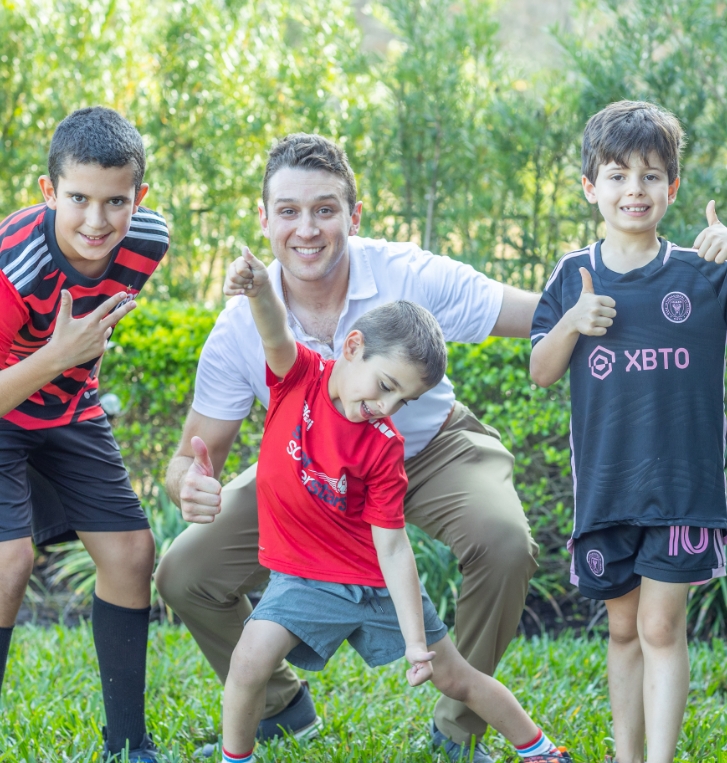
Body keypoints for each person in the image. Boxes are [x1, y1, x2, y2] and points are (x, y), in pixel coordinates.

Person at [157, 132, 542, 763]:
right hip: (315, 475)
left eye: (325, 209)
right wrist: (188, 485)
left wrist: (623, 289)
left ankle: (458, 728)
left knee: (503, 541)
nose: (306, 229)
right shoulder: (240, 327)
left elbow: (536, 313)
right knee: (185, 572)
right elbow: (186, 459)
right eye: (288, 211)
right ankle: (281, 709)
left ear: (353, 216)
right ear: (264, 218)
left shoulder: (406, 273)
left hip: (430, 450)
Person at [217, 246, 571, 763]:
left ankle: (540, 750)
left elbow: (393, 547)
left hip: (369, 581)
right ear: (353, 346)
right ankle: (236, 758)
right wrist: (260, 288)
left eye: (401, 400)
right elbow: (274, 331)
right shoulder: (299, 377)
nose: (384, 407)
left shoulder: (383, 445)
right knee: (249, 660)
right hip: (300, 577)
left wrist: (413, 643)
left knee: (455, 677)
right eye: (385, 386)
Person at [530, 100, 727, 763]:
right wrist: (571, 321)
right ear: (590, 187)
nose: (632, 190)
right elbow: (539, 370)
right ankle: (625, 754)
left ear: (672, 187)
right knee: (621, 631)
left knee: (659, 625)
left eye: (649, 176)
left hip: (681, 489)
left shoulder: (703, 273)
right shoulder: (570, 274)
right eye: (616, 175)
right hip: (607, 490)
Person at [0, 107, 169, 761]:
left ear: (139, 198)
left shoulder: (148, 239)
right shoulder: (15, 267)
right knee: (9, 561)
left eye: (114, 202)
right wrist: (56, 355)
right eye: (78, 200)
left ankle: (129, 743)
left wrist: (69, 371)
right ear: (49, 191)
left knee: (131, 553)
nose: (96, 222)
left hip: (69, 411)